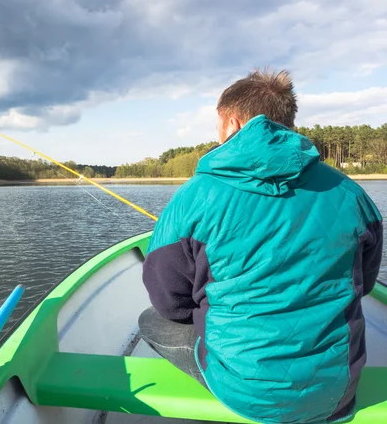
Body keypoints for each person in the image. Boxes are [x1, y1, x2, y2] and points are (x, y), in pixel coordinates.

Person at [139, 69, 383, 423]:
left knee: (149, 321)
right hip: (336, 392)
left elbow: (168, 303)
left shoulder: (193, 196)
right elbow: (365, 284)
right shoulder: (351, 194)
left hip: (245, 393)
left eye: (218, 126)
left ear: (234, 124)